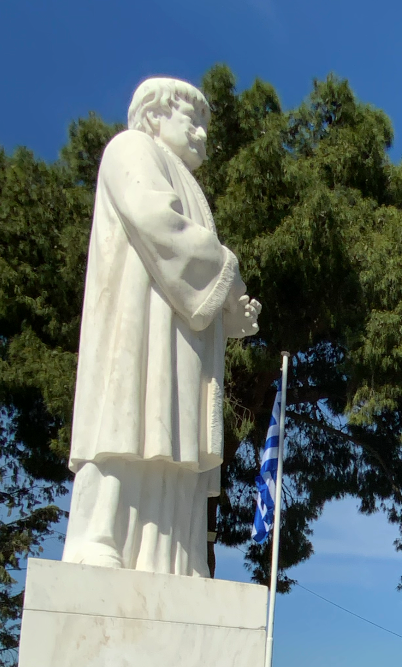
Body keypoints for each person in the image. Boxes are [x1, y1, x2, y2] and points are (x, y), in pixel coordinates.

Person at [62, 78, 260, 575]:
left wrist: (231, 311)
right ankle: (101, 535)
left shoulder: (190, 183)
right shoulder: (130, 148)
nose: (201, 134)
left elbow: (198, 270)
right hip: (138, 321)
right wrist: (229, 276)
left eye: (205, 126)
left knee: (176, 436)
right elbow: (158, 223)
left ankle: (172, 556)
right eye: (191, 120)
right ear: (155, 114)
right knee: (127, 419)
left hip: (181, 337)